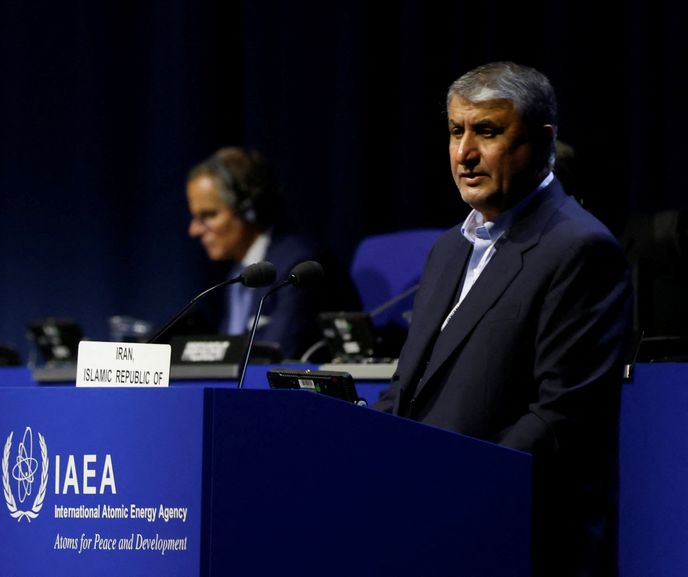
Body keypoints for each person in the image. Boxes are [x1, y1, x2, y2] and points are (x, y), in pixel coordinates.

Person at [372, 62, 633, 577]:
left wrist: (449, 490)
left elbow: (559, 419)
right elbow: (407, 389)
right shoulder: (449, 248)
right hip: (430, 533)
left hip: (519, 540)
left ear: (542, 140)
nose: (465, 153)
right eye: (455, 131)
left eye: (487, 131)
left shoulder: (580, 249)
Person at [184, 146, 358, 360]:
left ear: (248, 209)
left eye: (208, 215)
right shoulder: (237, 276)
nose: (194, 230)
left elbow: (274, 357)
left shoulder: (297, 266)